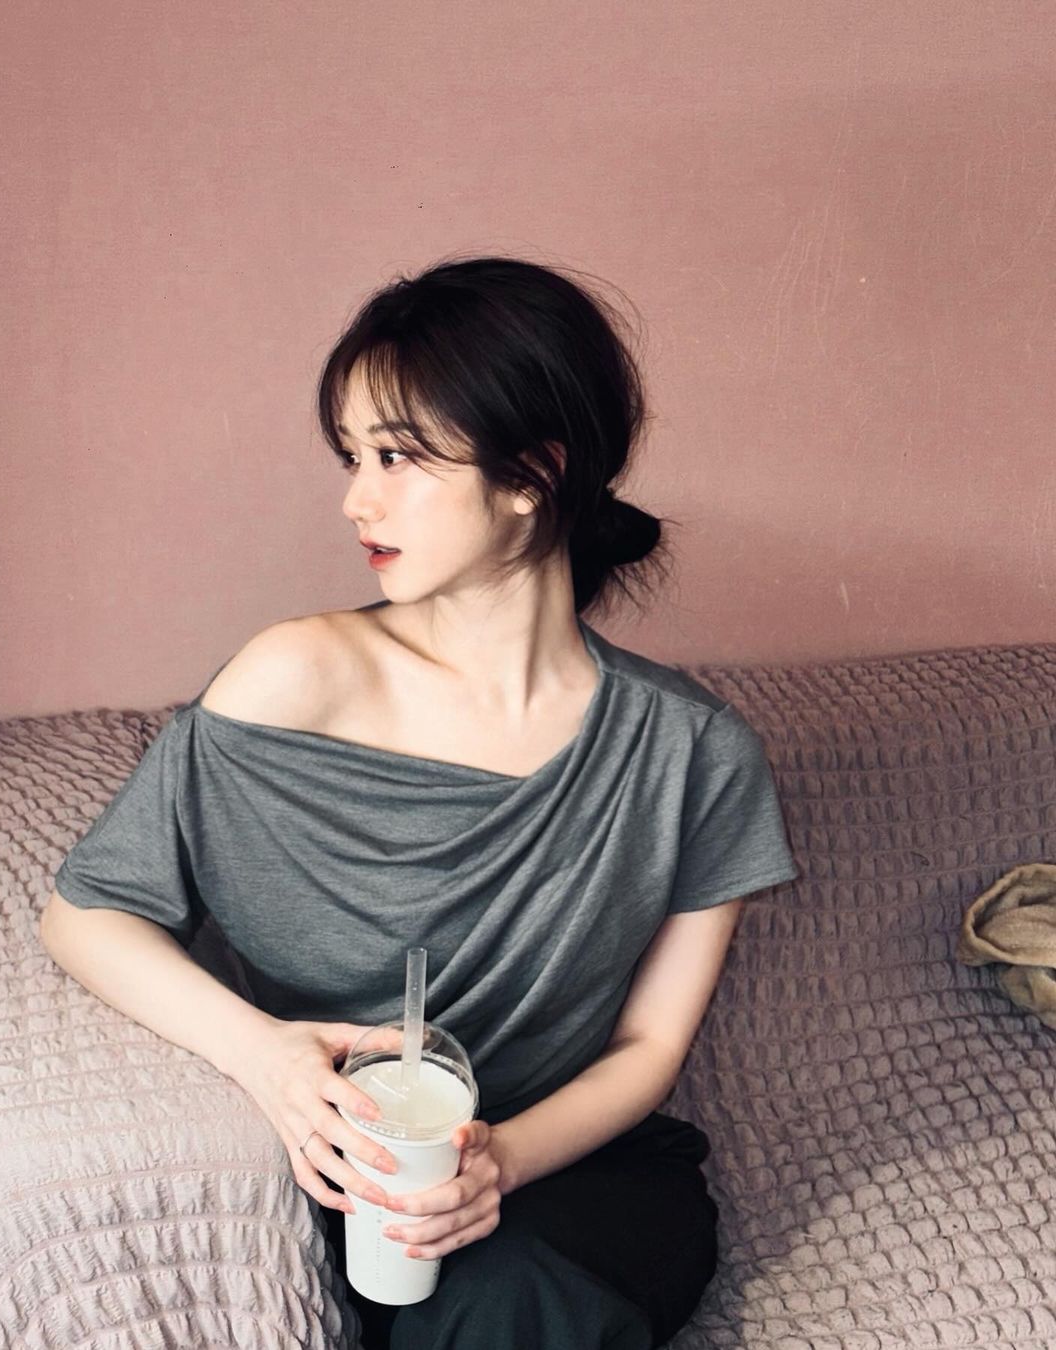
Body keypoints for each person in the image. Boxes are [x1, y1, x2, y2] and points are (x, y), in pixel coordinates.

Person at [41, 254, 800, 1349]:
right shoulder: (295, 681)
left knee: (514, 1295)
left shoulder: (693, 752)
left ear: (534, 471)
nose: (357, 499)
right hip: (357, 1165)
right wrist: (267, 1055)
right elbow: (87, 912)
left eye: (397, 456)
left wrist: (502, 1163)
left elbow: (647, 1047)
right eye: (352, 457)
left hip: (578, 1177)